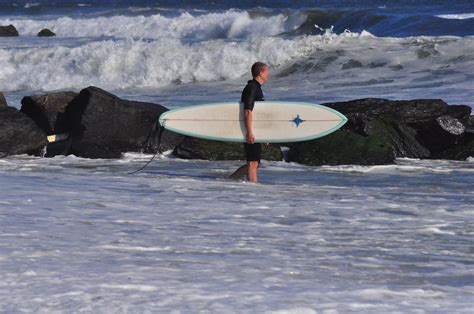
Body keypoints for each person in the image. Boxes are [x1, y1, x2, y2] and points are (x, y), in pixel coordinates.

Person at [230, 62, 269, 183]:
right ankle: (253, 191)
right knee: (252, 163)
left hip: (254, 129)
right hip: (249, 129)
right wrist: (249, 132)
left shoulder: (257, 88)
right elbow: (248, 110)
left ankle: (230, 179)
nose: (268, 74)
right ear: (260, 73)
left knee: (255, 163)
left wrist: (265, 134)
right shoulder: (252, 87)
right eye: (266, 72)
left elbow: (258, 115)